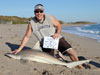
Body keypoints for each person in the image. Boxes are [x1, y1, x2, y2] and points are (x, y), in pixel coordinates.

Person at [12, 4, 83, 69]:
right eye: (37, 11)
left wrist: (57, 33)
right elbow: (27, 37)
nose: (39, 13)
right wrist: (19, 49)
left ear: (43, 12)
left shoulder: (50, 17)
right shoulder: (31, 23)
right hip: (45, 43)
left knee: (70, 51)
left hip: (56, 39)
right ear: (34, 12)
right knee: (50, 59)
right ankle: (60, 56)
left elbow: (58, 25)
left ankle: (79, 66)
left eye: (41, 11)